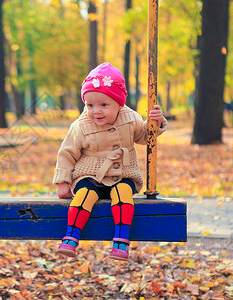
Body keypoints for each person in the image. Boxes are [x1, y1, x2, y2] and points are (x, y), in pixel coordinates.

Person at [53, 62, 168, 261]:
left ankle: (121, 241)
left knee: (123, 195)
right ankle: (71, 236)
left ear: (119, 103)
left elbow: (143, 137)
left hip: (122, 173)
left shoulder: (130, 118)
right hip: (90, 174)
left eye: (103, 105)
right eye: (90, 105)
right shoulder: (80, 126)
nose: (96, 111)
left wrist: (155, 123)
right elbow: (66, 154)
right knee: (85, 195)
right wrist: (63, 182)